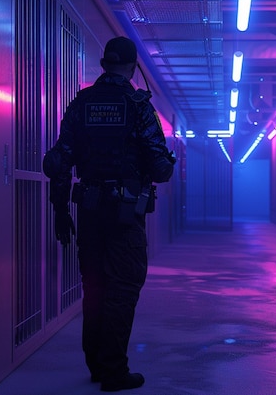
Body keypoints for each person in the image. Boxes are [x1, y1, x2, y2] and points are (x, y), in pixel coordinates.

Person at [42, 36, 175, 392]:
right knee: (124, 284)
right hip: (124, 214)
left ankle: (97, 365)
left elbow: (60, 160)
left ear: (104, 64)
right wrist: (165, 162)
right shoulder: (138, 105)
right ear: (132, 67)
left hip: (87, 210)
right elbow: (160, 168)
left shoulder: (81, 103)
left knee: (95, 284)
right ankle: (114, 370)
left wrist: (59, 211)